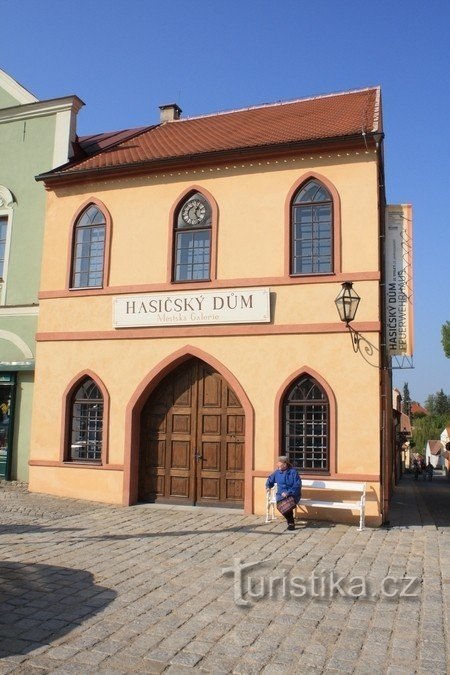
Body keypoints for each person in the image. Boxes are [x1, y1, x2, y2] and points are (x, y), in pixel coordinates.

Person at [266, 456, 301, 530]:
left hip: (293, 494)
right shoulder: (277, 472)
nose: (277, 465)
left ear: (285, 464)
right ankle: (290, 521)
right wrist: (268, 485)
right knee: (280, 505)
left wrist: (288, 492)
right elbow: (270, 479)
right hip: (280, 495)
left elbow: (297, 485)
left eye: (279, 464)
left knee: (287, 504)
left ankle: (291, 523)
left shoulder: (293, 472)